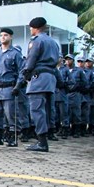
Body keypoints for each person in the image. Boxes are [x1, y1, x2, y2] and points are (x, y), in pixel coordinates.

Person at [22, 17, 60, 152]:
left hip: (38, 78)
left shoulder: (36, 41)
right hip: (50, 78)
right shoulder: (53, 42)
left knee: (37, 110)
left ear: (35, 28)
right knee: (48, 110)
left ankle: (42, 142)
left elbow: (31, 59)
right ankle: (46, 136)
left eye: (31, 28)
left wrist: (26, 73)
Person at [0, 28, 24, 147]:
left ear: (11, 37)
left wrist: (18, 86)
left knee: (10, 114)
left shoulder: (15, 54)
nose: (3, 37)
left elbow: (21, 71)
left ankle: (13, 136)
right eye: (1, 35)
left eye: (6, 35)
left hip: (9, 87)